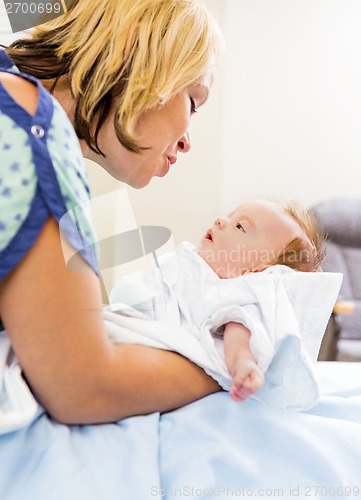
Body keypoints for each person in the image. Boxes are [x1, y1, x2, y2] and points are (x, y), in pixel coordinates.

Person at [0, 0, 224, 424]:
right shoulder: (34, 129)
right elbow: (82, 387)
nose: (187, 141)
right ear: (133, 49)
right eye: (193, 102)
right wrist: (226, 368)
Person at [109, 199, 326, 404]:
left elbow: (238, 330)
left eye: (240, 226)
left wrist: (243, 363)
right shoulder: (190, 262)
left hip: (145, 344)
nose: (221, 220)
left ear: (257, 271)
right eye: (231, 217)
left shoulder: (235, 292)